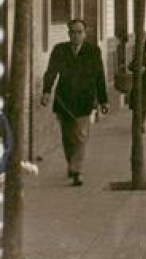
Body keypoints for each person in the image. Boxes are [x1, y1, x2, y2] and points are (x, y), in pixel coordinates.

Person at [41, 19, 109, 187]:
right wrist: (46, 91)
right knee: (67, 137)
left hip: (85, 100)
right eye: (73, 32)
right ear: (68, 33)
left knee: (80, 135)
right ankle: (72, 163)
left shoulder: (93, 51)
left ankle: (77, 171)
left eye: (80, 32)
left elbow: (99, 76)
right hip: (64, 99)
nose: (76, 35)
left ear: (85, 34)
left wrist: (103, 100)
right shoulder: (59, 50)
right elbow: (51, 72)